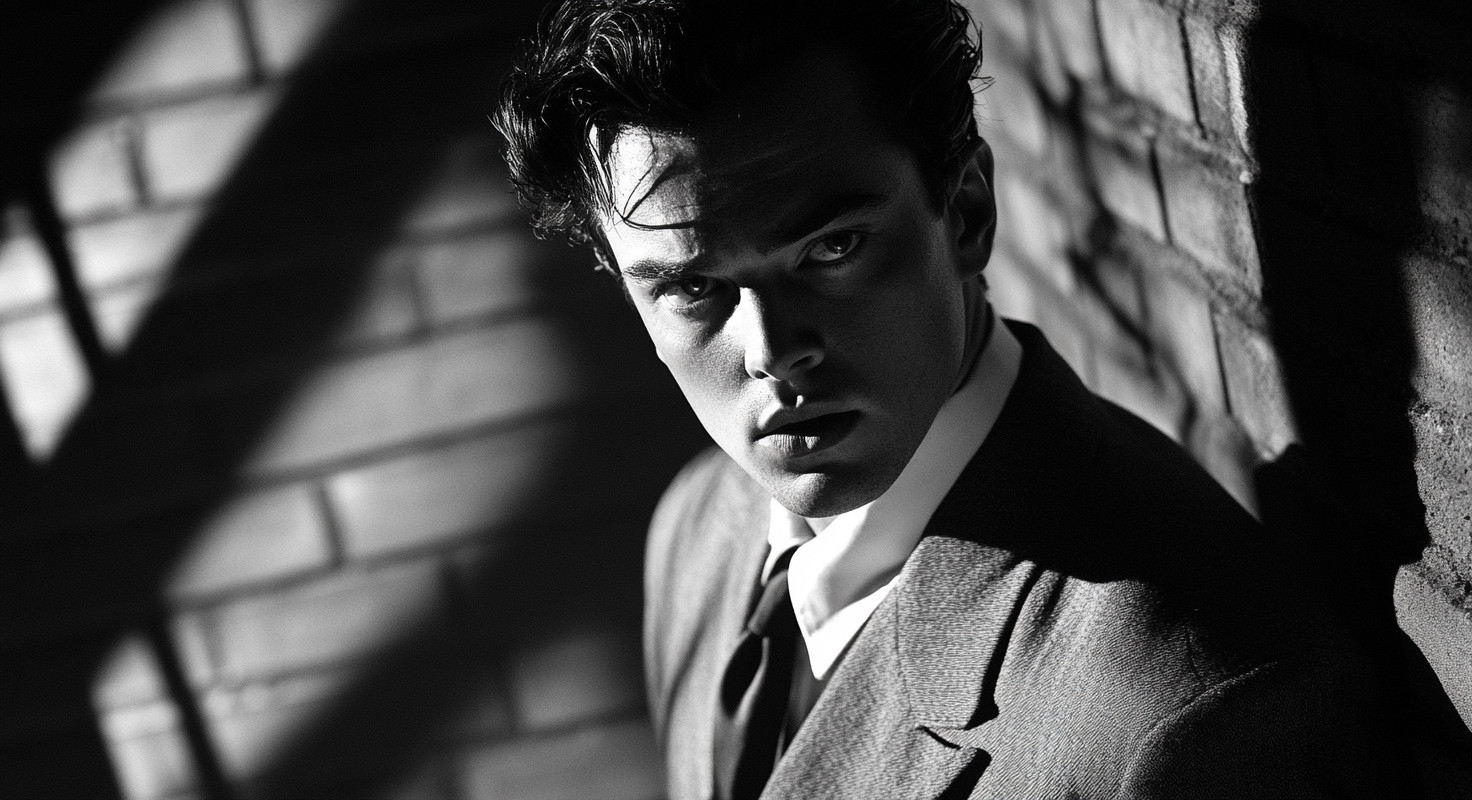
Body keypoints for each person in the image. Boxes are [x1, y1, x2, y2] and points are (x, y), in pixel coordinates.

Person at [492, 1, 1470, 797]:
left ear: (963, 211)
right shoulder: (693, 529)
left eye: (831, 248)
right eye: (692, 288)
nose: (772, 352)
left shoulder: (1191, 709)